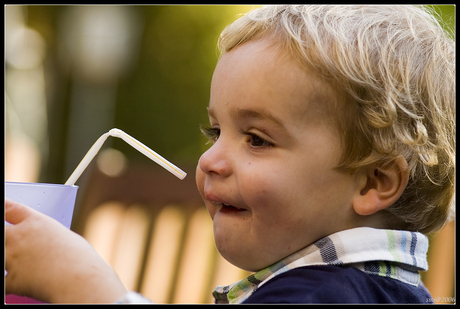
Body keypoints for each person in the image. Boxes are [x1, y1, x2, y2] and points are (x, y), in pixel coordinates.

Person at [5, 5, 455, 304]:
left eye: (257, 139)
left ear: (374, 181)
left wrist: (86, 288)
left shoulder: (324, 295)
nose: (209, 161)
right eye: (215, 130)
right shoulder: (378, 290)